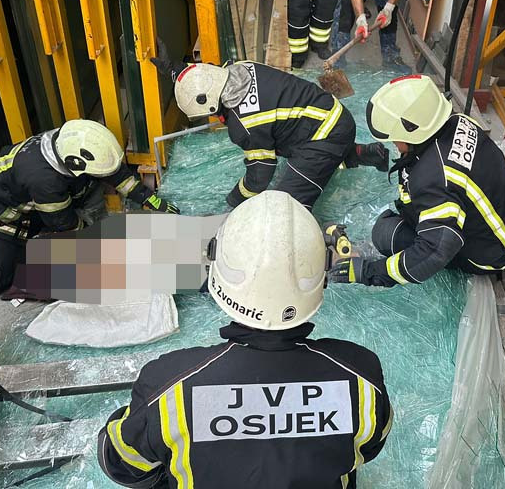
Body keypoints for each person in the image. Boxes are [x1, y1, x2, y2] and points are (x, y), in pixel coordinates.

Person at [98, 190, 393, 489]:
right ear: (321, 274)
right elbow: (369, 448)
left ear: (218, 268)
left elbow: (121, 464)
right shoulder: (361, 376)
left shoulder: (167, 385)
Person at [329, 76, 505, 287]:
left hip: (491, 254)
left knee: (385, 233)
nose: (394, 143)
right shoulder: (460, 121)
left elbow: (434, 251)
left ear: (413, 131)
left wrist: (369, 272)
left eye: (395, 137)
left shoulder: (433, 178)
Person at [0, 119, 179, 293]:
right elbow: (64, 224)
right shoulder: (43, 179)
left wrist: (151, 200)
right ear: (75, 164)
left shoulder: (73, 144)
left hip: (25, 206)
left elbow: (117, 175)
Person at [152, 42, 389, 210]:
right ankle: (364, 153)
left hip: (325, 134)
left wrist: (234, 202)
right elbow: (208, 77)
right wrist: (173, 70)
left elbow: (260, 175)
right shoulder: (240, 68)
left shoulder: (246, 125)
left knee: (285, 206)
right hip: (333, 116)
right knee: (311, 151)